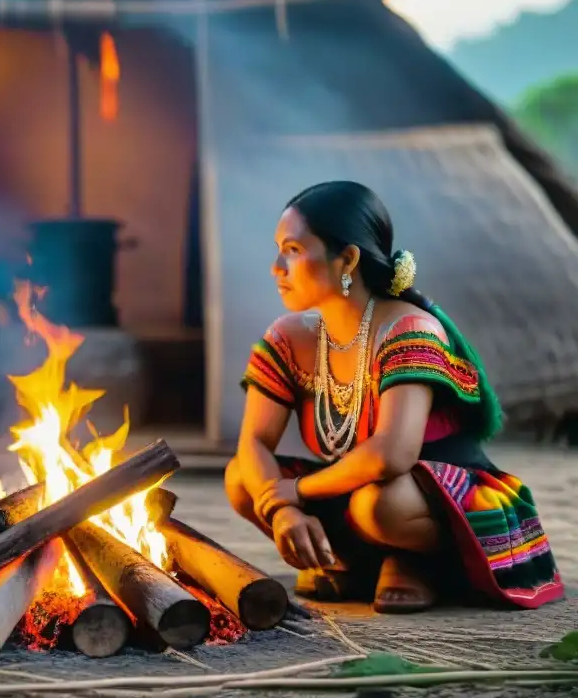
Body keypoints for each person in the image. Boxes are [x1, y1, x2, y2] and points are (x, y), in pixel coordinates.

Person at [226, 180, 565, 614]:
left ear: (347, 258)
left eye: (292, 249)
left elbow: (392, 455)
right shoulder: (288, 338)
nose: (276, 266)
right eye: (278, 249)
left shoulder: (408, 328)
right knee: (242, 478)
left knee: (379, 503)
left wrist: (296, 490)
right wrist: (283, 511)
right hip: (353, 487)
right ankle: (355, 562)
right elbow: (254, 443)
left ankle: (419, 561)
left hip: (430, 497)